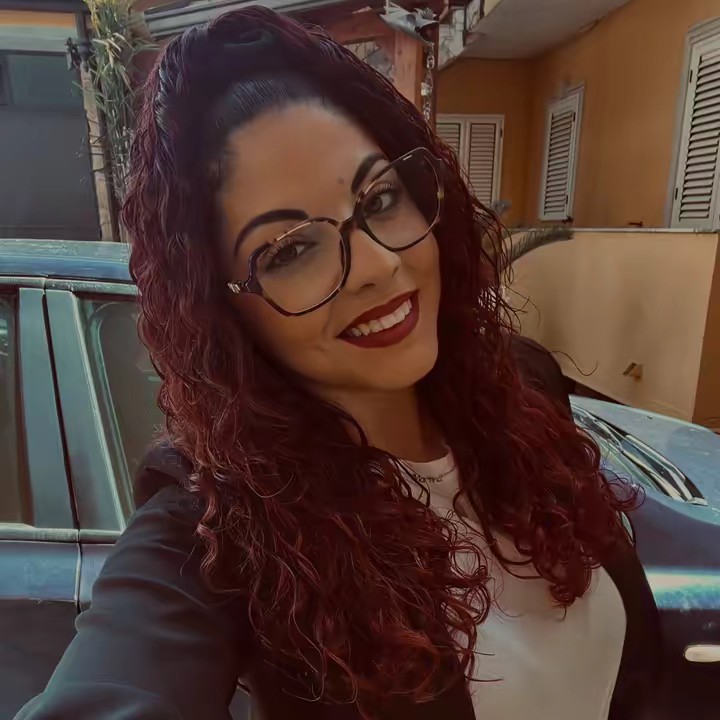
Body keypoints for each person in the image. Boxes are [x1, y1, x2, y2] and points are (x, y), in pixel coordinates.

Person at [17, 8, 660, 720]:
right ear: (224, 309)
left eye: (379, 198)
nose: (378, 266)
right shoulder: (223, 521)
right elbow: (121, 675)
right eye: (291, 249)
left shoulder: (519, 386)